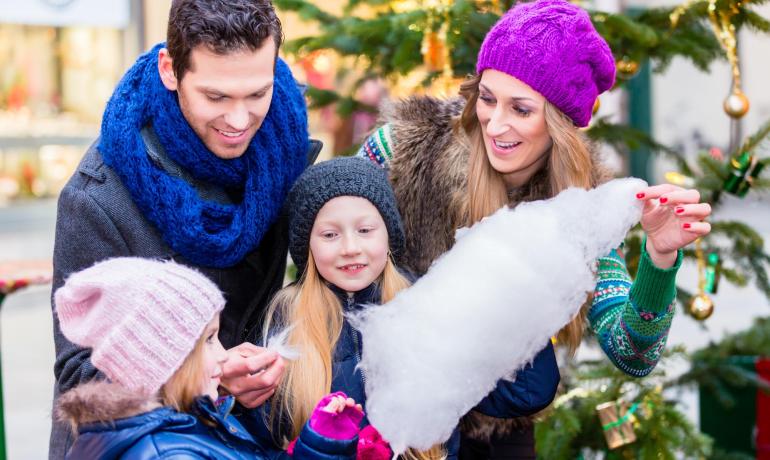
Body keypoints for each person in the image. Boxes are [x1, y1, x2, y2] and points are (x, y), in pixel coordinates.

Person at [357, 0, 712, 457]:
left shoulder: (584, 208)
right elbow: (325, 232)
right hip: (389, 420)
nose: (495, 123)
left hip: (501, 434)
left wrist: (659, 261)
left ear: (559, 122)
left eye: (521, 109)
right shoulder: (405, 147)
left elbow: (632, 352)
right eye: (487, 98)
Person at [50, 0, 315, 456]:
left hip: (242, 438)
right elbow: (79, 376)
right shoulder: (97, 197)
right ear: (171, 71)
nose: (238, 120)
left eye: (257, 94)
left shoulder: (282, 150)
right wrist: (201, 373)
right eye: (216, 97)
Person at [239, 157, 560, 460]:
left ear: (388, 234)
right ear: (306, 246)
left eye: (365, 230)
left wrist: (508, 289)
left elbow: (525, 393)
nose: (351, 248)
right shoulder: (284, 320)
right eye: (330, 234)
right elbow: (254, 442)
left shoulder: (426, 304)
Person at [54, 257, 366, 459]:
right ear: (164, 360)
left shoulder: (196, 421)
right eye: (208, 340)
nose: (222, 355)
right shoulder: (170, 454)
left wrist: (320, 444)